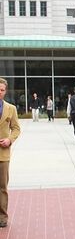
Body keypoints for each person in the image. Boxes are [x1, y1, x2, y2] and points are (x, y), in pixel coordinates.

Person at [0, 78, 21, 228]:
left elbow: (16, 128)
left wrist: (10, 139)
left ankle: (3, 217)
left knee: (2, 187)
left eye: (1, 90)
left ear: (5, 91)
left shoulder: (11, 108)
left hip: (3, 153)